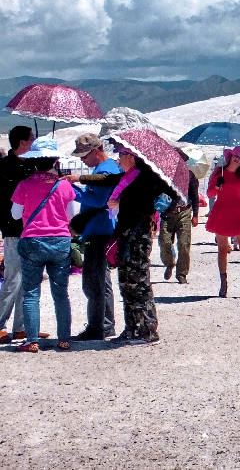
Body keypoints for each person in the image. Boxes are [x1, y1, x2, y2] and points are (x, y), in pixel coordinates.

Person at [73, 143, 175, 343]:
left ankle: (143, 330)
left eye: (122, 153)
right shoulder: (131, 176)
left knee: (135, 283)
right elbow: (107, 179)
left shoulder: (143, 179)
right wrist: (79, 178)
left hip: (136, 235)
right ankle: (136, 328)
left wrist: (120, 203)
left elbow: (143, 206)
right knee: (130, 283)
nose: (118, 157)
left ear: (132, 156)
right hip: (129, 233)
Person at [10, 138, 77, 352]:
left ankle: (32, 340)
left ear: (34, 162)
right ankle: (64, 338)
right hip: (60, 241)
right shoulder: (64, 185)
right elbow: (71, 215)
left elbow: (15, 214)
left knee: (31, 293)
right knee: (61, 293)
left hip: (32, 241)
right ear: (55, 161)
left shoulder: (25, 184)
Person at [68, 133, 121, 338]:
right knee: (100, 279)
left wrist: (72, 188)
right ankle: (104, 324)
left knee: (94, 280)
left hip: (99, 229)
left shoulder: (106, 169)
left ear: (96, 151)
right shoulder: (104, 168)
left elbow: (98, 201)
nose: (82, 160)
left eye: (84, 156)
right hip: (99, 228)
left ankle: (98, 326)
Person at [207, 146, 240, 296]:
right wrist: (218, 185)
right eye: (236, 156)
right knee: (223, 249)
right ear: (230, 156)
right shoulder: (219, 172)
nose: (237, 159)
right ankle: (223, 284)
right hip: (222, 211)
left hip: (239, 211)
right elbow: (210, 193)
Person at [0, 125, 35, 344]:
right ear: (22, 143)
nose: (33, 142)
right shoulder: (4, 167)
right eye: (31, 139)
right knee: (13, 277)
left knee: (28, 280)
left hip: (31, 228)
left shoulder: (31, 165)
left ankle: (21, 327)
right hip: (13, 228)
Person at [157, 148, 200, 284]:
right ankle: (170, 263)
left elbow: (194, 195)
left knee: (184, 244)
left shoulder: (190, 176)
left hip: (184, 213)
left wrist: (196, 214)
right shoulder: (163, 175)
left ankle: (182, 273)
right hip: (167, 214)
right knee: (164, 242)